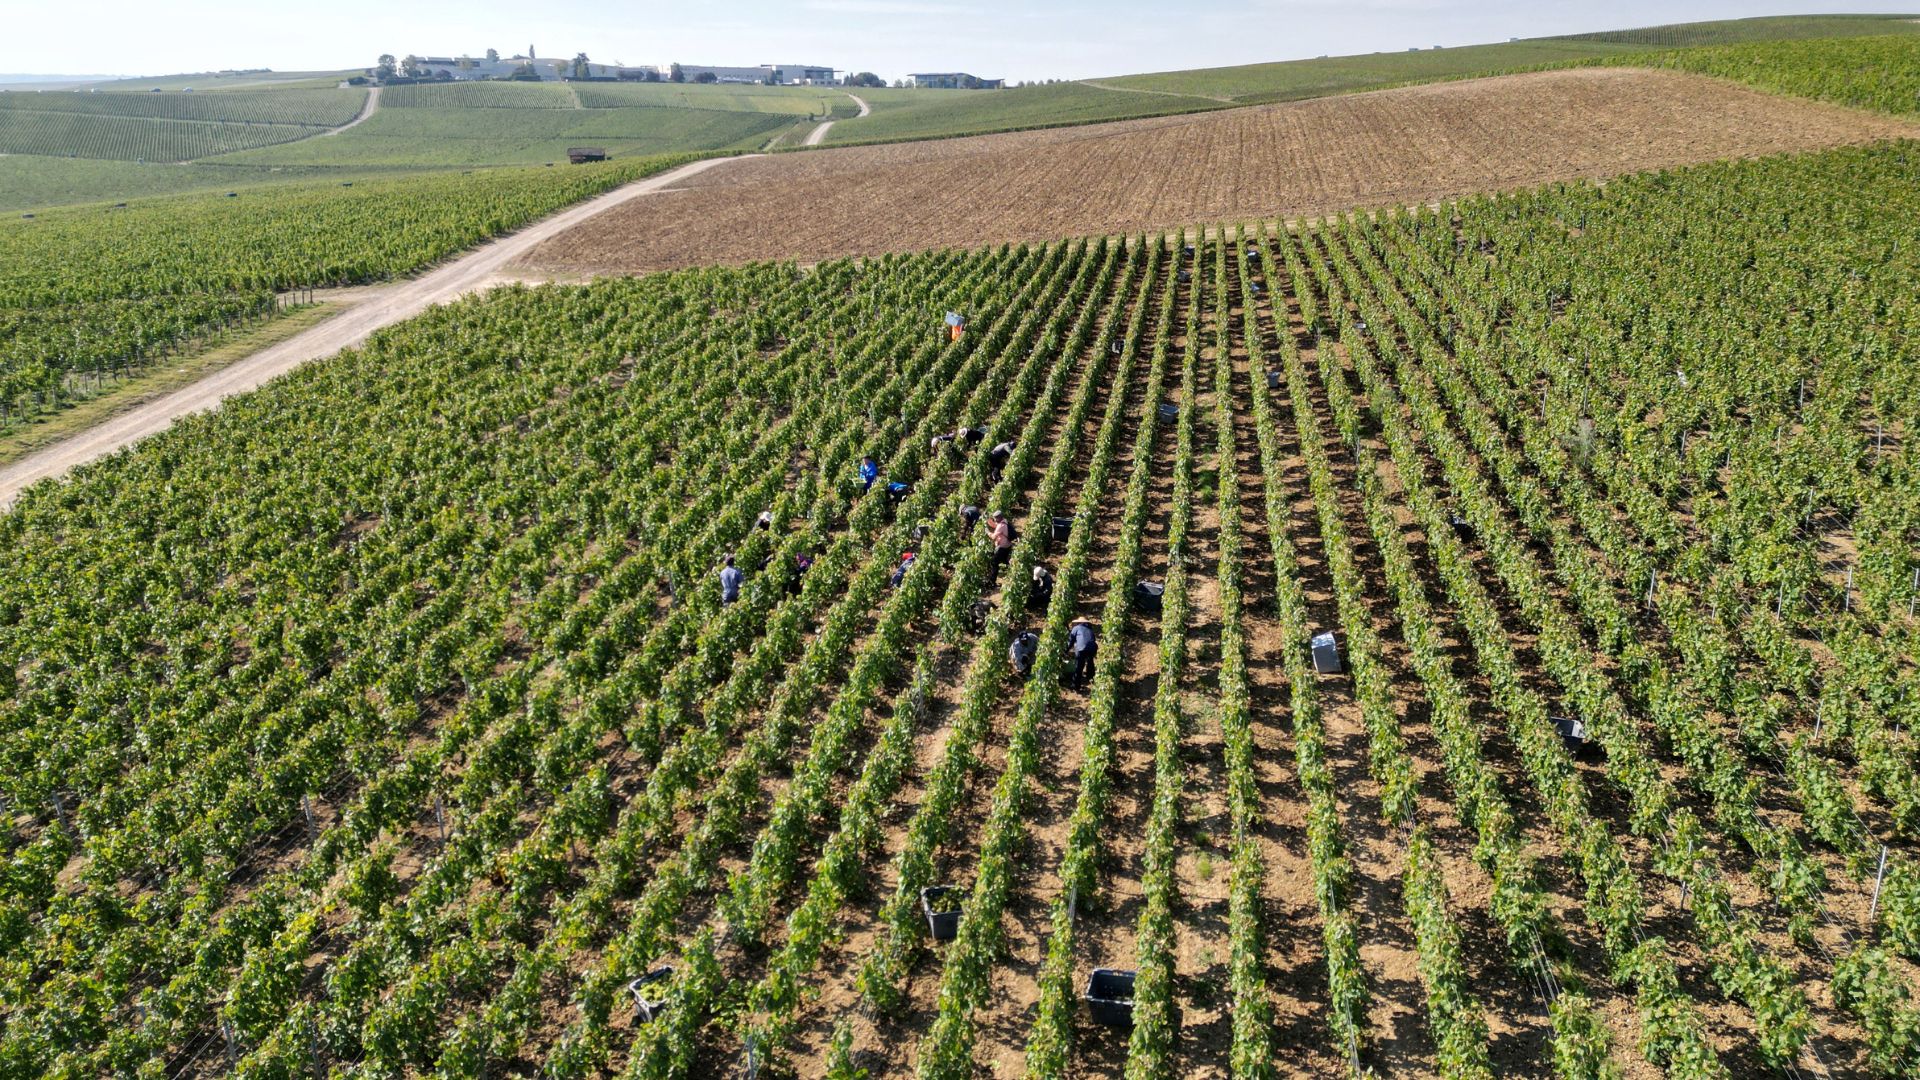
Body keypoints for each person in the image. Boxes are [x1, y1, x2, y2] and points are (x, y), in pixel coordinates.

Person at [1066, 618, 1097, 690]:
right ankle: (1090, 678)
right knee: (1090, 661)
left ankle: (1076, 685)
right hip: (1093, 648)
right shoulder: (1089, 629)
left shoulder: (1076, 628)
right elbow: (1092, 639)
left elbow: (1071, 641)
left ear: (1078, 623)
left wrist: (1066, 651)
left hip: (1081, 648)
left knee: (1079, 666)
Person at [987, 511, 1014, 581]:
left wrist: (987, 532)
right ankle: (1011, 573)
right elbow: (996, 525)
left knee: (994, 563)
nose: (995, 520)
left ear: (998, 518)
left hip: (1002, 548)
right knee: (1004, 560)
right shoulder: (1005, 521)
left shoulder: (1000, 526)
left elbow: (993, 537)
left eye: (995, 518)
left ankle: (992, 581)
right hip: (1008, 546)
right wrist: (989, 522)